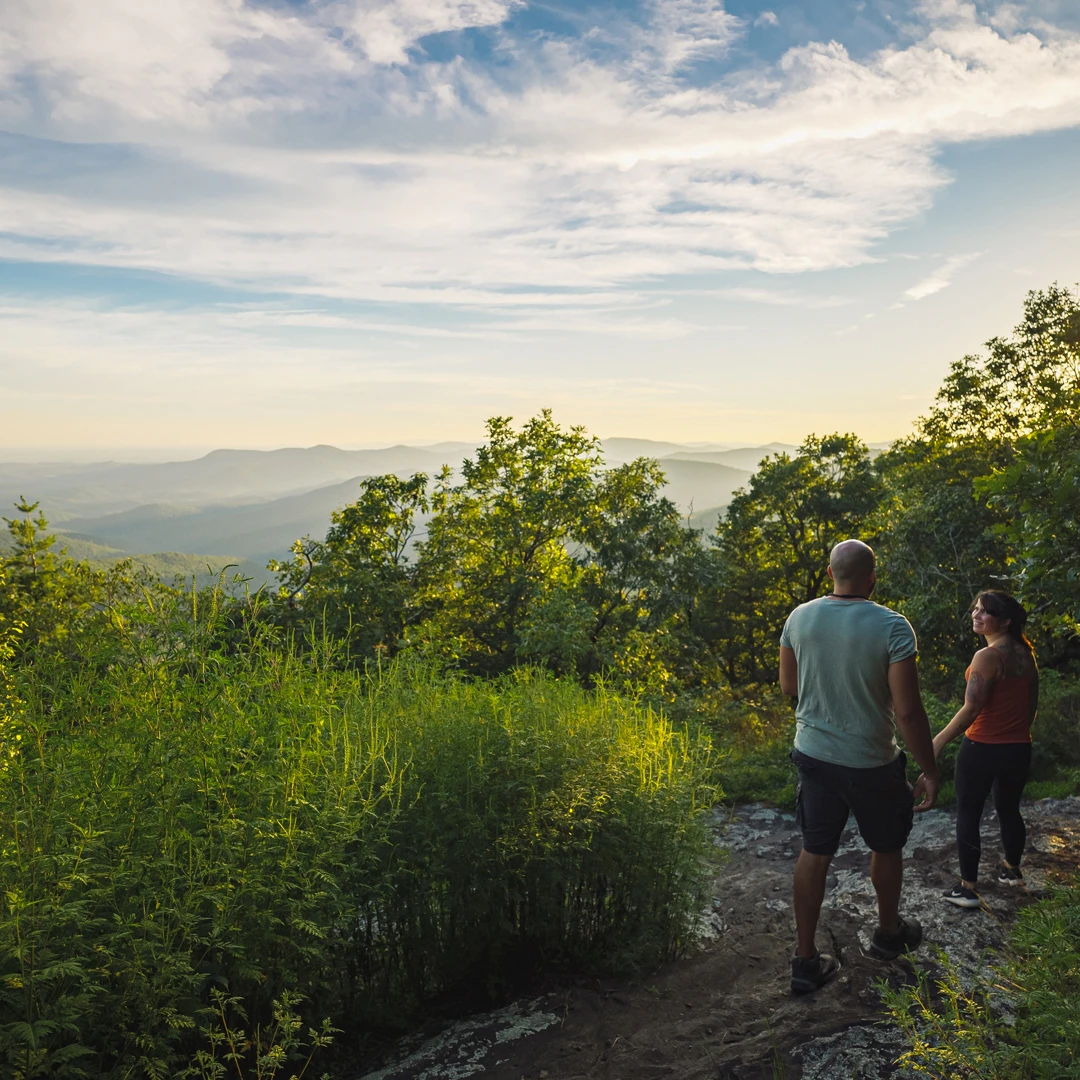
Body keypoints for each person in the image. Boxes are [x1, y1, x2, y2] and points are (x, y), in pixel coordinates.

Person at [779, 539, 940, 994]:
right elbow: (908, 712)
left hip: (813, 755)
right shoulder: (891, 626)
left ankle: (805, 960)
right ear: (872, 576)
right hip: (871, 761)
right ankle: (889, 935)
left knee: (815, 849)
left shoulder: (799, 617)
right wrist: (929, 769)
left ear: (831, 573)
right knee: (886, 847)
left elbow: (789, 686)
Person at [931, 591, 1038, 908]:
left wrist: (937, 741)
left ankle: (968, 888)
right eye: (975, 609)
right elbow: (1031, 706)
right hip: (1019, 746)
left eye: (985, 611)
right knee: (1009, 808)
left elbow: (971, 709)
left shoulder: (987, 657)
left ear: (1004, 621)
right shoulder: (1025, 653)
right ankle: (1011, 871)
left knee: (968, 812)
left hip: (982, 746)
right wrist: (1016, 731)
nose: (976, 615)